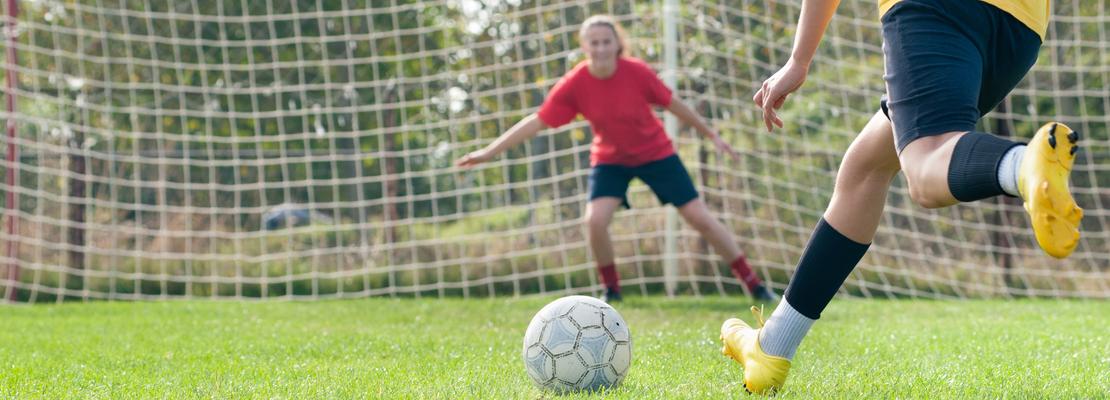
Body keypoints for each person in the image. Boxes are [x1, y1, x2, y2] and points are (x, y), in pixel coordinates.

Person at [719, 0, 1083, 394]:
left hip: (935, 10)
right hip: (1021, 28)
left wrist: (799, 60)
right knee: (865, 168)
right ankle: (772, 346)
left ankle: (1021, 166)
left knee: (926, 170)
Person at [456, 15, 778, 303]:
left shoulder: (636, 72)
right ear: (585, 46)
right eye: (593, 43)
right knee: (594, 221)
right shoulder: (576, 82)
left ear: (617, 44)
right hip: (610, 159)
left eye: (606, 41)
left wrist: (712, 135)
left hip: (656, 153)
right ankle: (612, 291)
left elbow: (674, 104)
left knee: (700, 219)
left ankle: (754, 285)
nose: (600, 48)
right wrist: (489, 152)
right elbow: (538, 120)